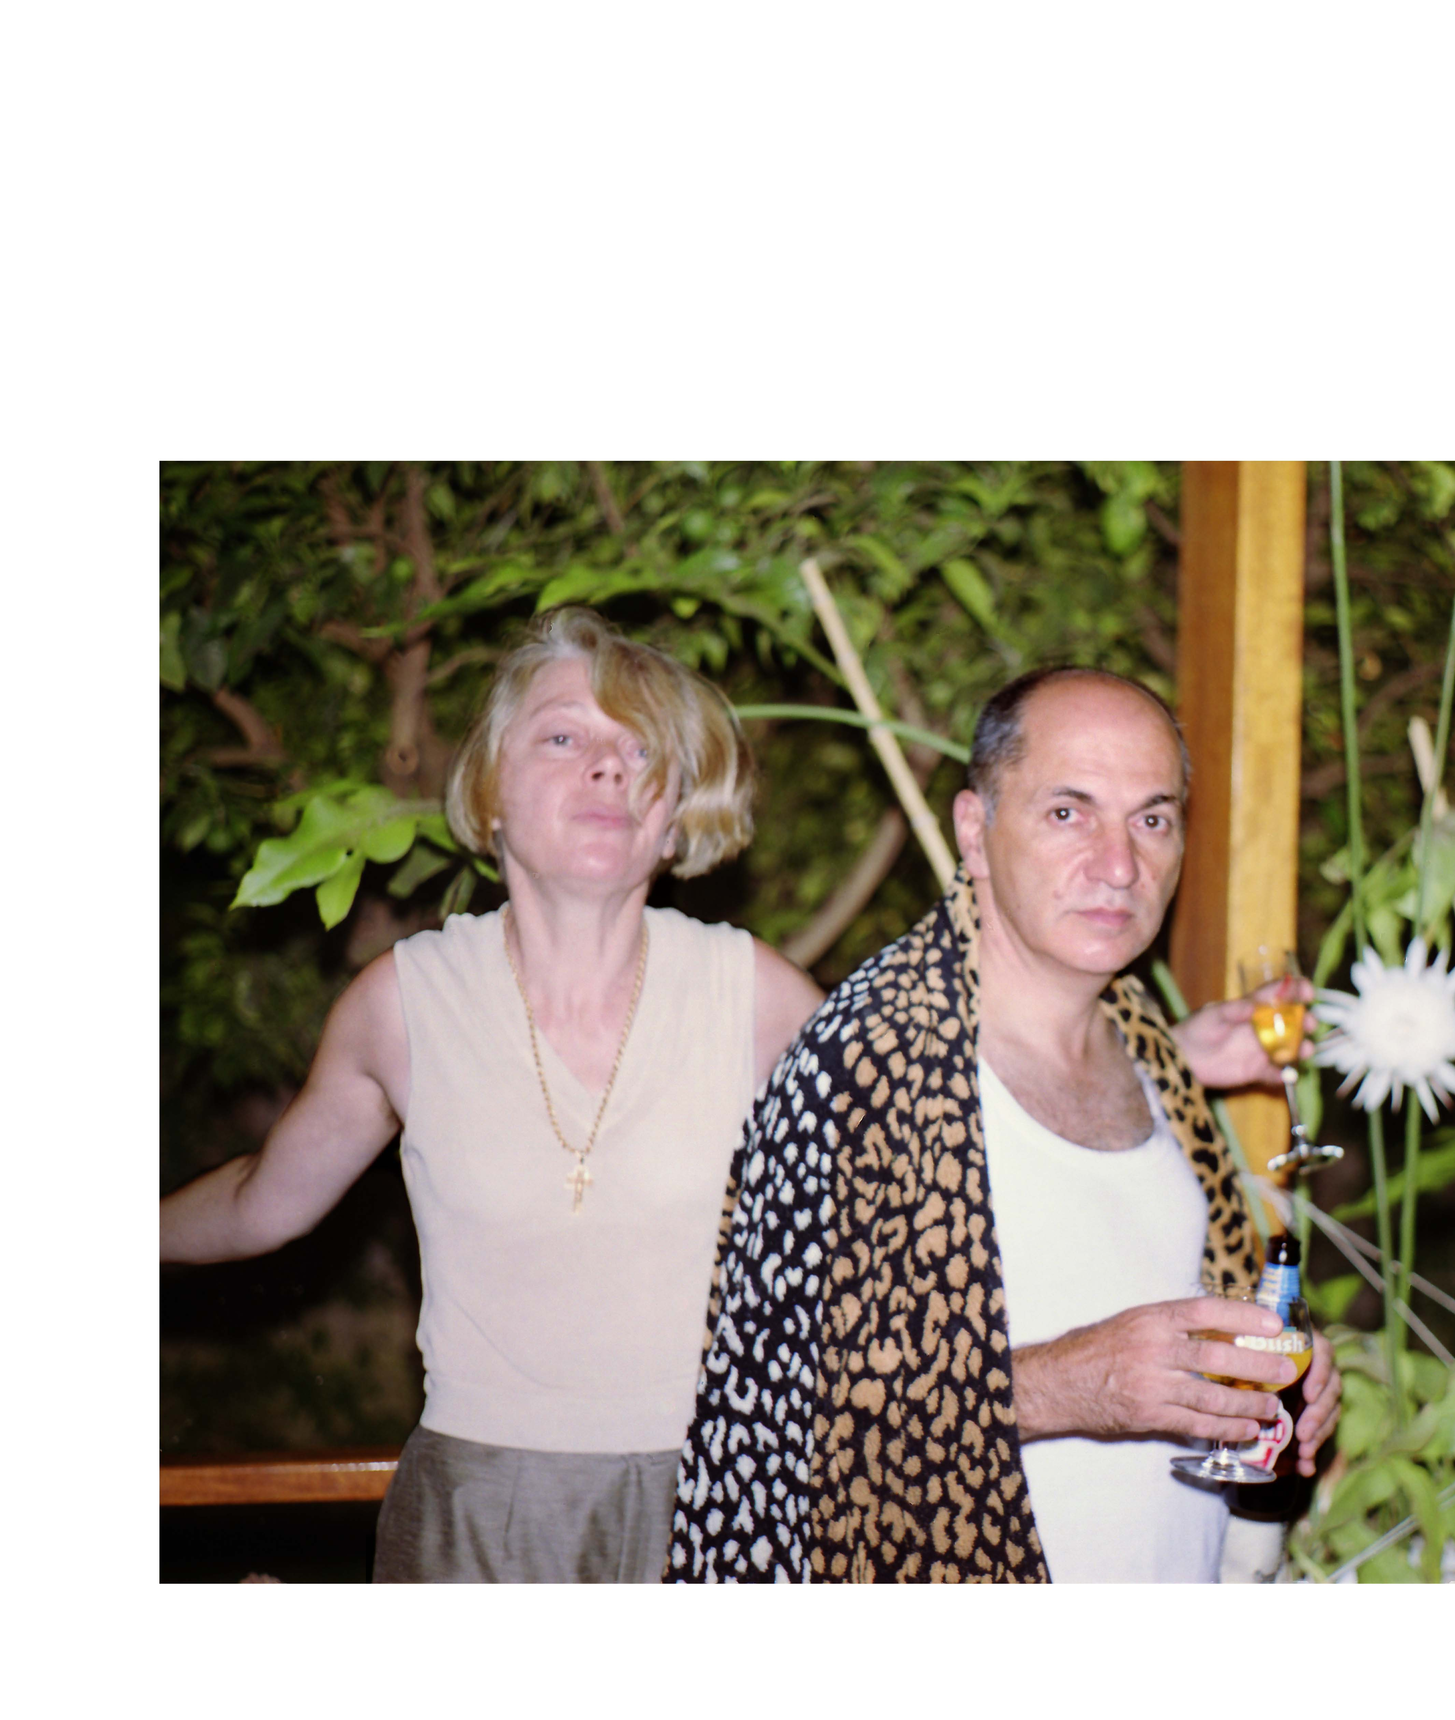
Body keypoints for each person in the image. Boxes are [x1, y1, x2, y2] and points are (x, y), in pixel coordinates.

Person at [160, 606, 825, 1582]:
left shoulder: (756, 994)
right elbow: (267, 1195)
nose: (607, 766)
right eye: (562, 736)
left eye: (639, 745)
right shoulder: (403, 1003)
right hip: (474, 1512)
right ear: (490, 787)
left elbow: (900, 1220)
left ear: (676, 804)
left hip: (720, 1491)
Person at [668, 665, 1338, 1583]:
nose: (1119, 863)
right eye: (1069, 812)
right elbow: (774, 1417)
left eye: (1152, 817)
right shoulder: (869, 1061)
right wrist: (1075, 1385)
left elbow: (1188, 1310)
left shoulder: (1147, 1046)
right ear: (975, 834)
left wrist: (1280, 1381)